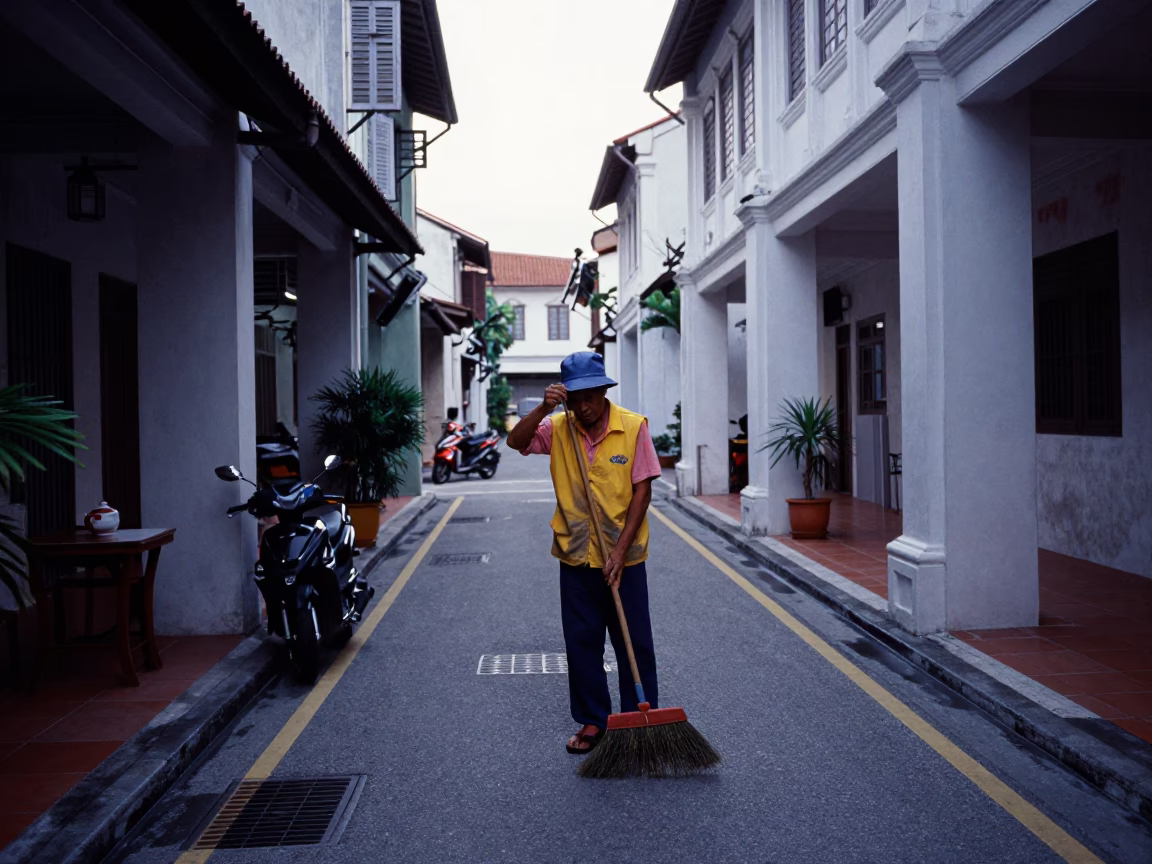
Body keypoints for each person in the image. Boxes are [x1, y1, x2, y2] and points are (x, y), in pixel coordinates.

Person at [506, 351, 663, 754]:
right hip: (576, 556)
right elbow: (515, 441)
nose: (583, 407)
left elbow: (643, 490)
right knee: (582, 643)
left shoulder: (632, 427)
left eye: (589, 397)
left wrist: (621, 551)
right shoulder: (559, 428)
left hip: (624, 558)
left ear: (603, 391)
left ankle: (637, 718)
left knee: (635, 642)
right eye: (574, 400)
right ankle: (594, 719)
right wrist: (544, 406)